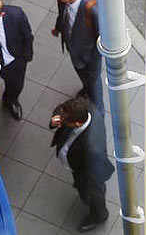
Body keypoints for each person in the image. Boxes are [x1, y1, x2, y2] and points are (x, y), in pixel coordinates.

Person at [50, 97, 114, 232]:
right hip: (80, 164)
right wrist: (57, 118)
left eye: (64, 119)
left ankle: (99, 215)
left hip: (89, 173)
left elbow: (92, 174)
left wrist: (82, 182)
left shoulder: (90, 148)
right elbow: (62, 108)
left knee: (93, 193)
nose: (61, 119)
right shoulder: (84, 107)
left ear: (77, 124)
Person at [52, 0, 104, 113]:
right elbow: (61, 14)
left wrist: (94, 59)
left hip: (90, 57)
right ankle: (86, 88)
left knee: (94, 85)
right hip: (74, 49)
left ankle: (98, 112)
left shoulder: (93, 10)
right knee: (81, 74)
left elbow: (102, 39)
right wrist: (58, 28)